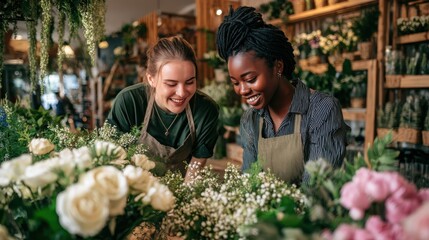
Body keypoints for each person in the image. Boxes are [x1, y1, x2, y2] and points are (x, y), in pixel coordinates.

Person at [216, 6, 350, 184]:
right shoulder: (251, 119)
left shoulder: (321, 110)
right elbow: (249, 184)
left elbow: (318, 190)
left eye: (250, 79)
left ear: (278, 67)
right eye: (235, 83)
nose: (242, 90)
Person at [107, 36, 219, 181]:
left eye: (190, 82)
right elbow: (113, 159)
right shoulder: (129, 102)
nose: (182, 92)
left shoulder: (206, 110)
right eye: (171, 84)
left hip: (181, 188)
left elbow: (196, 164)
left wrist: (186, 198)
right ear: (151, 79)